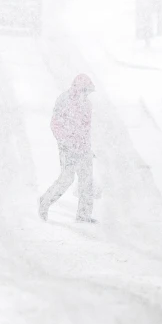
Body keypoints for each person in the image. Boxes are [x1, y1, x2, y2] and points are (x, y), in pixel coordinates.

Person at [39, 73, 96, 223]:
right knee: (66, 179)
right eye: (85, 91)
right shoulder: (64, 100)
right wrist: (65, 142)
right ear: (78, 89)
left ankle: (84, 216)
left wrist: (87, 148)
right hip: (68, 149)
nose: (87, 94)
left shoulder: (88, 105)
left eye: (88, 92)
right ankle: (45, 201)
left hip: (83, 150)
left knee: (87, 181)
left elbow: (85, 129)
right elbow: (55, 124)